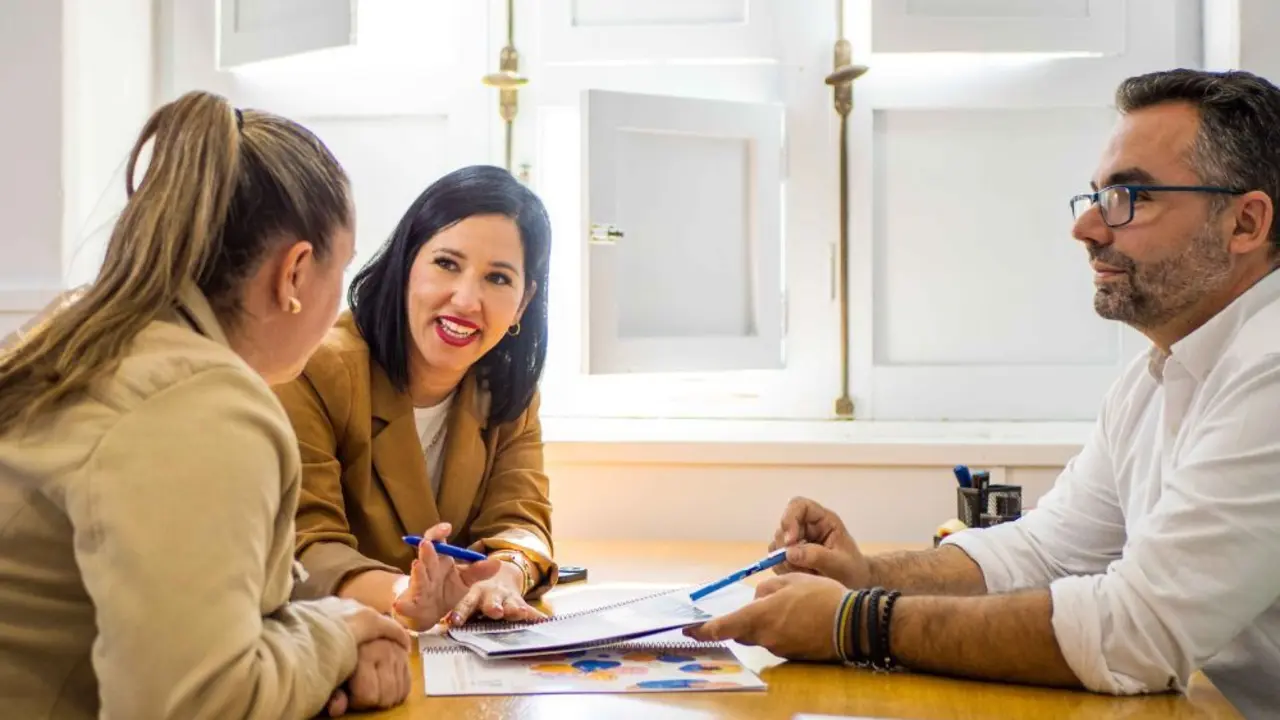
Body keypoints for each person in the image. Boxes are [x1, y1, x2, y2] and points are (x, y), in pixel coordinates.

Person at [686, 68, 1280, 719]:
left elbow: (1134, 635)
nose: (1086, 229)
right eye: (1095, 197)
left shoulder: (1270, 368)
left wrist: (852, 622)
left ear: (1245, 222)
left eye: (1130, 195)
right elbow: (1044, 553)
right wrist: (866, 576)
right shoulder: (1157, 376)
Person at [0, 91, 486, 719]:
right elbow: (196, 704)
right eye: (341, 269)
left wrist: (314, 647)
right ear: (295, 274)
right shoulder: (200, 405)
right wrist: (338, 639)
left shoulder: (83, 334)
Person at [273, 164, 558, 631]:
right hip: (339, 643)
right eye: (447, 264)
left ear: (522, 303)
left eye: (499, 278)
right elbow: (303, 545)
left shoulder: (509, 388)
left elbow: (523, 519)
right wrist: (404, 594)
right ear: (406, 265)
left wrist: (506, 574)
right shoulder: (313, 368)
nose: (466, 300)